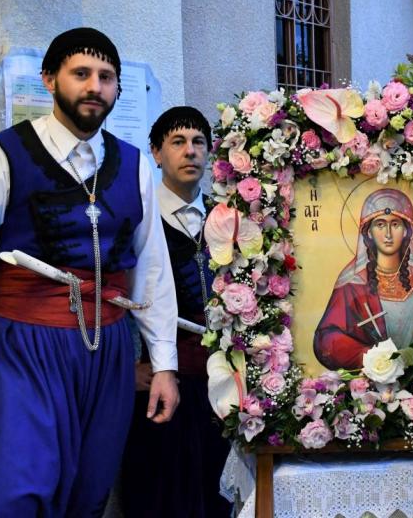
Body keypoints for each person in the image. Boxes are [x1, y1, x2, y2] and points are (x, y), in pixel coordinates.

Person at [0, 27, 179, 516]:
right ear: (49, 79)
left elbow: (153, 271)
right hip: (20, 347)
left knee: (88, 496)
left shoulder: (134, 166)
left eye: (106, 76)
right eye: (80, 73)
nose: (94, 86)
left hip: (107, 351)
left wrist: (164, 364)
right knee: (13, 497)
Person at [121, 106, 232, 517]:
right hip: (161, 384)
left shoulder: (227, 219)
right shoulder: (137, 219)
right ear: (156, 152)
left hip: (221, 388)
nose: (190, 152)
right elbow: (113, 300)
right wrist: (125, 369)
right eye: (178, 142)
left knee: (218, 495)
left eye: (198, 142)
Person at [313, 188, 413, 370]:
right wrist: (371, 358)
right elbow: (326, 339)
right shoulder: (351, 285)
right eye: (380, 225)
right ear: (369, 232)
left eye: (395, 224)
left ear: (406, 231)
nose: (388, 234)